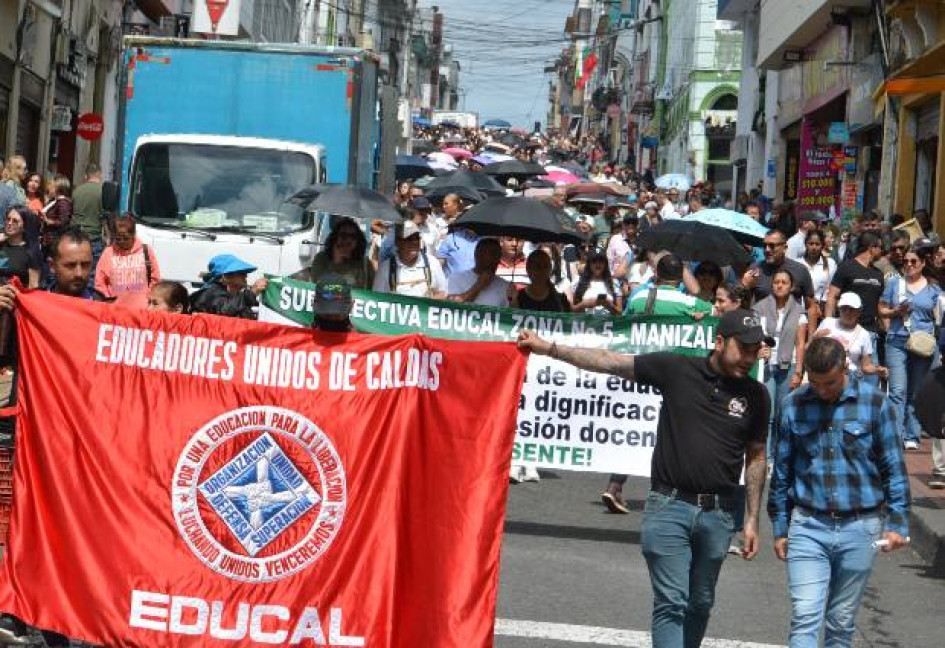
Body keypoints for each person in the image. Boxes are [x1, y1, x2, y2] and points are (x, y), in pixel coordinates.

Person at [517, 309, 770, 648]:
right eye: (744, 348)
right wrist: (549, 348)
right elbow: (609, 361)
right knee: (672, 602)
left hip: (719, 514)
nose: (750, 358)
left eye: (756, 350)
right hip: (669, 507)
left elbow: (756, 456)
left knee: (700, 602)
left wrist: (752, 518)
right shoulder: (676, 369)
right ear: (720, 341)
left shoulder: (757, 395)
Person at [768, 337, 910, 648]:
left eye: (829, 382)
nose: (821, 390)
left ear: (844, 367)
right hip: (808, 525)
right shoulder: (794, 405)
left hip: (861, 526)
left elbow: (893, 468)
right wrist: (780, 527)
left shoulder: (875, 405)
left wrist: (898, 522)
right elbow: (782, 471)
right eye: (815, 383)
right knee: (805, 616)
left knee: (841, 622)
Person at [878, 248, 941, 450]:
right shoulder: (895, 284)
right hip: (897, 341)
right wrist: (896, 312)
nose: (909, 265)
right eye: (906, 261)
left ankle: (912, 434)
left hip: (923, 346)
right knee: (897, 390)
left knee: (916, 391)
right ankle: (896, 435)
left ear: (923, 263)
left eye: (914, 261)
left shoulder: (934, 289)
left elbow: (939, 318)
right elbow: (881, 309)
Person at [754, 268, 808, 461]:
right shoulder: (759, 307)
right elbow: (754, 336)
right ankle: (765, 457)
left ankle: (779, 456)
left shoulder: (799, 310)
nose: (779, 285)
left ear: (791, 286)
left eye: (784, 282)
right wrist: (758, 349)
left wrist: (799, 371)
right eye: (776, 282)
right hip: (766, 364)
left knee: (783, 413)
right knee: (766, 412)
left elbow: (800, 343)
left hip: (789, 364)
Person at [825, 231, 885, 384]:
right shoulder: (847, 267)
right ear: (872, 247)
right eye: (880, 247)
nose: (882, 251)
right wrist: (828, 323)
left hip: (870, 333)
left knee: (870, 381)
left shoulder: (879, 274)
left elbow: (879, 305)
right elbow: (832, 296)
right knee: (843, 378)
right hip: (846, 332)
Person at [741, 230, 818, 336]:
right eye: (765, 245)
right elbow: (744, 307)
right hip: (761, 334)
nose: (767, 250)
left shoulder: (800, 270)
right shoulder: (754, 269)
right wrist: (745, 287)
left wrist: (810, 339)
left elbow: (811, 306)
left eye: (772, 246)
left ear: (785, 248)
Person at [814, 292, 888, 380]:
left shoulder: (863, 334)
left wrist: (877, 370)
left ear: (859, 312)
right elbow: (810, 349)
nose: (847, 312)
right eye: (844, 308)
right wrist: (815, 338)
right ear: (839, 309)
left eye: (851, 309)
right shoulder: (827, 323)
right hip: (823, 375)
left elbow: (866, 366)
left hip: (849, 379)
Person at [94, 215, 160, 309]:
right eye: (118, 239)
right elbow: (99, 281)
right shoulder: (108, 253)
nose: (122, 242)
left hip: (142, 310)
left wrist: (148, 297)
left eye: (126, 238)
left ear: (133, 235)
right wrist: (108, 299)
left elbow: (155, 278)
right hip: (116, 311)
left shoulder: (146, 251)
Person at [374, 221, 448, 299]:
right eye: (408, 239)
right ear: (398, 242)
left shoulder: (432, 263)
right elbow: (377, 299)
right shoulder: (385, 268)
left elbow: (442, 293)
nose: (413, 242)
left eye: (416, 238)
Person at [293, 217, 373, 288]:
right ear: (335, 237)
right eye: (343, 235)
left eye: (353, 236)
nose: (348, 240)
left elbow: (371, 292)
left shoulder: (365, 264)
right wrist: (337, 260)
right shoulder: (321, 259)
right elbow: (318, 283)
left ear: (358, 240)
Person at [627, 254, 712, 317]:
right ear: (681, 277)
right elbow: (715, 311)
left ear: (657, 274)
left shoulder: (638, 297)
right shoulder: (690, 303)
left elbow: (622, 323)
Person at [190, 254, 268, 319]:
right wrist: (252, 292)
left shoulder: (236, 297)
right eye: (241, 272)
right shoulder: (209, 293)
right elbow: (225, 311)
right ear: (225, 277)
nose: (246, 275)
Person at [447, 238, 509, 307]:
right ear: (477, 255)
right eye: (490, 254)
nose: (494, 259)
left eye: (497, 255)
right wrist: (479, 285)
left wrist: (514, 299)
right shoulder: (456, 278)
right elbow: (451, 305)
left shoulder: (505, 285)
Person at [71, 162, 106, 264]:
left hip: (76, 237)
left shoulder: (77, 190)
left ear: (86, 175)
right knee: (92, 272)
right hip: (94, 238)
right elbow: (104, 216)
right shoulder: (103, 191)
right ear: (100, 174)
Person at [0, 206, 41, 288]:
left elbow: (33, 286)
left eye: (15, 221)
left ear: (24, 226)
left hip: (13, 298)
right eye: (8, 219)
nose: (9, 223)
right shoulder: (1, 244)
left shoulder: (31, 251)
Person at [571, 251, 622, 315]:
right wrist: (584, 304)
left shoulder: (614, 283)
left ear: (605, 264)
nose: (598, 264)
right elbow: (571, 310)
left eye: (601, 261)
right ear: (589, 264)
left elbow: (620, 313)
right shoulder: (578, 282)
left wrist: (610, 305)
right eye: (594, 261)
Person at [798, 230, 836, 314]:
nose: (814, 247)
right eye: (811, 244)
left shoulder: (830, 263)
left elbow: (830, 289)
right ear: (806, 244)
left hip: (821, 311)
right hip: (800, 311)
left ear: (822, 245)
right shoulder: (798, 263)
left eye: (817, 244)